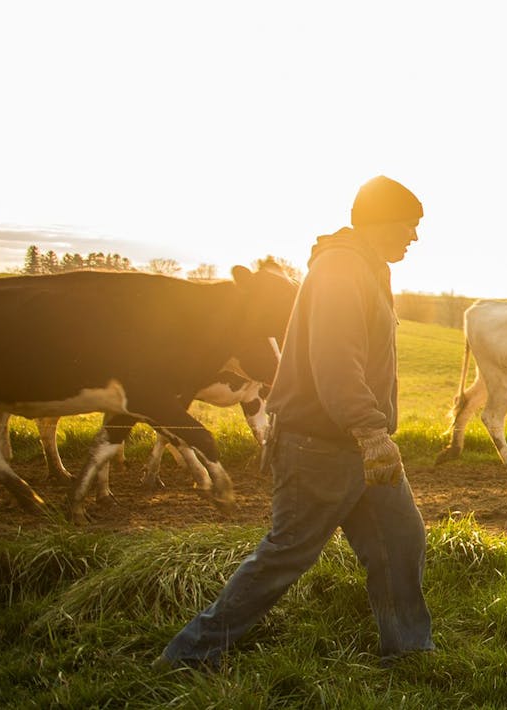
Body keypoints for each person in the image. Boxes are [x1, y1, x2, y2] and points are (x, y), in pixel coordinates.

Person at [160, 176, 432, 669]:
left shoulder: (368, 268)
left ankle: (408, 649)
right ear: (381, 220)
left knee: (400, 539)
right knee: (287, 554)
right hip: (321, 445)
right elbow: (335, 362)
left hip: (351, 443)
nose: (414, 236)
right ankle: (190, 653)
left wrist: (369, 435)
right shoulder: (341, 270)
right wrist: (371, 431)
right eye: (410, 224)